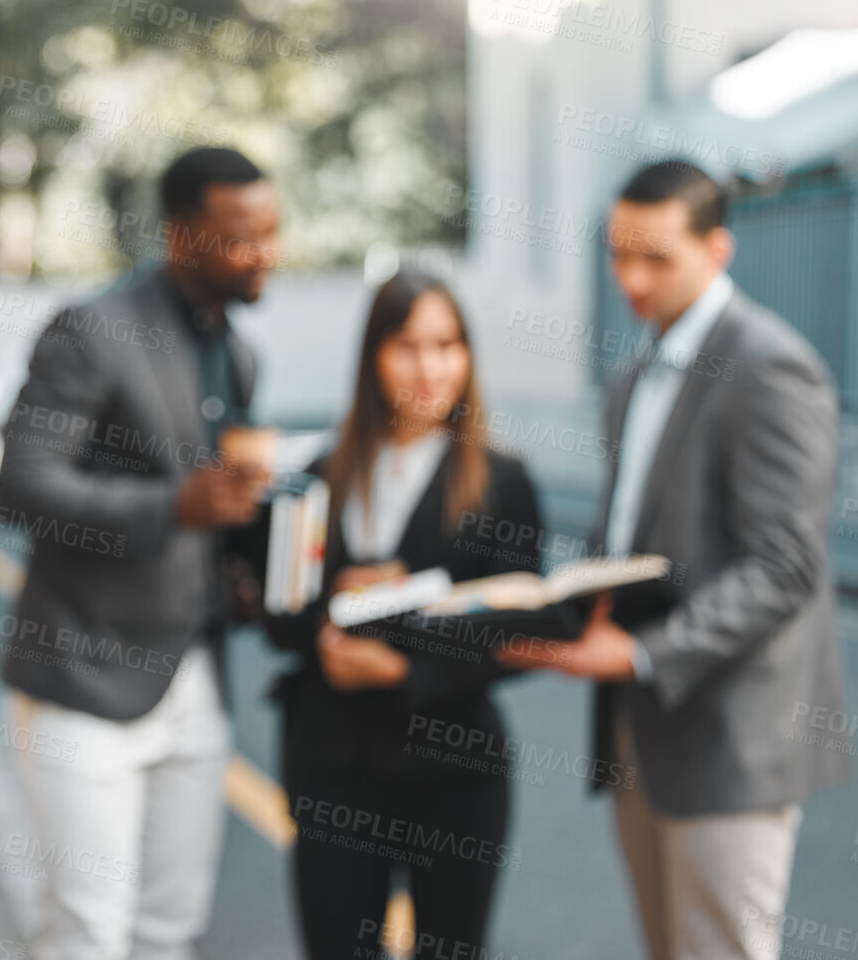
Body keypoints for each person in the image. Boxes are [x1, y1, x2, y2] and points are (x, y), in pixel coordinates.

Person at [499, 159, 851, 960]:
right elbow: (630, 542)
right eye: (620, 253)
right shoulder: (632, 379)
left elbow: (786, 567)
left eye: (656, 257)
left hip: (730, 739)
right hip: (640, 728)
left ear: (718, 248)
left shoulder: (770, 367)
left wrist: (645, 651)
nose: (630, 278)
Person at [0, 146, 281, 960]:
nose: (266, 251)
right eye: (241, 236)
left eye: (271, 230)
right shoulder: (92, 330)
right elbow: (22, 485)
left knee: (168, 932)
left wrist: (244, 575)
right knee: (87, 936)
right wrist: (175, 505)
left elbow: (219, 514)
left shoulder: (240, 351)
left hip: (195, 681)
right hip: (83, 676)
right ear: (181, 237)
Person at [263, 268, 544, 960]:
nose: (430, 368)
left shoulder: (500, 480)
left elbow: (520, 629)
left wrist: (402, 664)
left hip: (452, 767)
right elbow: (280, 616)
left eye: (448, 346)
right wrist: (334, 612)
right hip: (333, 764)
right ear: (373, 357)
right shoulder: (320, 475)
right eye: (408, 347)